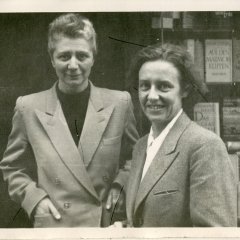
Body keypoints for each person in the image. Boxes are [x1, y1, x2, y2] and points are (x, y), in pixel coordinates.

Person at [0, 13, 138, 227]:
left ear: (93, 57)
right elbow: (12, 167)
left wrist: (121, 185)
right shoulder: (28, 107)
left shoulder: (120, 103)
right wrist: (35, 201)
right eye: (64, 56)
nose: (73, 65)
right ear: (52, 59)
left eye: (82, 56)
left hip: (104, 223)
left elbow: (136, 157)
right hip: (55, 223)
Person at [125, 43, 237, 227]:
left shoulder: (204, 146)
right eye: (145, 86)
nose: (152, 96)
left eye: (163, 87)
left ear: (185, 90)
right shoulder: (140, 146)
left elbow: (216, 234)